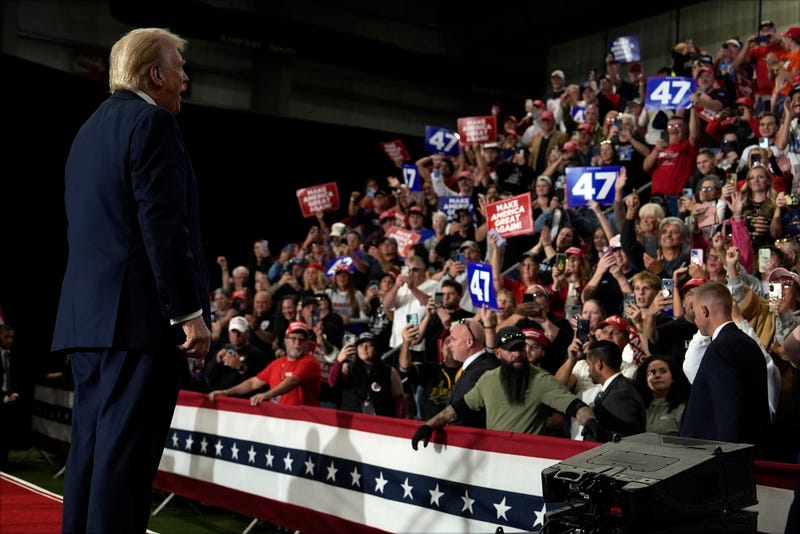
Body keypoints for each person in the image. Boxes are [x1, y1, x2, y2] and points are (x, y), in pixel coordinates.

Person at [50, 28, 212, 534]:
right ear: (155, 74)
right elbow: (163, 227)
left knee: (91, 459)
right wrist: (189, 312)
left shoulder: (88, 131)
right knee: (125, 468)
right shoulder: (153, 123)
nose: (186, 79)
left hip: (89, 326)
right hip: (137, 329)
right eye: (179, 67)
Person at [410, 326, 603, 445]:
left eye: (520, 348)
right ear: (498, 354)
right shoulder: (487, 380)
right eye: (510, 350)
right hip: (496, 457)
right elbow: (458, 408)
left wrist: (591, 422)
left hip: (527, 460)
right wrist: (429, 425)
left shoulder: (541, 380)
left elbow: (576, 407)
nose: (517, 354)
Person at [681, 282, 771, 454]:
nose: (694, 317)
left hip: (722, 459)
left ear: (704, 311)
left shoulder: (721, 348)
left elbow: (728, 412)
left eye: (695, 309)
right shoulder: (749, 343)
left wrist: (726, 459)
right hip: (750, 451)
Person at [209, 322, 321, 407]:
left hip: (301, 421)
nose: (297, 343)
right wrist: (226, 392)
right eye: (293, 338)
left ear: (307, 343)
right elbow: (253, 383)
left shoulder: (309, 362)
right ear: (286, 340)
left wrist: (266, 395)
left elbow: (293, 381)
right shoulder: (277, 363)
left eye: (302, 339)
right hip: (277, 418)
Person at [328, 332, 404, 417]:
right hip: (352, 422)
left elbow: (399, 402)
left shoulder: (390, 372)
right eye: (360, 345)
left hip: (380, 423)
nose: (364, 348)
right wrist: (339, 361)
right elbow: (332, 383)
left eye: (369, 345)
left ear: (376, 349)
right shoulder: (347, 368)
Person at [585, 339, 646, 440]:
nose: (588, 370)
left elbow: (623, 440)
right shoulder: (618, 390)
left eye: (589, 365)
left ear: (598, 364)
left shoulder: (621, 395)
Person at [204, 316, 272, 395]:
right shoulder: (222, 351)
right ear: (229, 333)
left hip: (242, 401)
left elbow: (262, 382)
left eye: (240, 331)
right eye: (233, 331)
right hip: (218, 397)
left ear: (247, 333)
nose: (236, 335)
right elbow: (208, 375)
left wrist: (241, 367)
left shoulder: (257, 354)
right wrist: (216, 362)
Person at [634, 355, 690, 435]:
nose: (657, 376)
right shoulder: (637, 407)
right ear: (646, 380)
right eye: (652, 373)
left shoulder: (684, 408)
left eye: (663, 371)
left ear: (672, 378)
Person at [0, 324, 21, 469]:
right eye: (6, 337)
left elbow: (16, 377)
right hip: (1, 399)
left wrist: (14, 393)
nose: (10, 340)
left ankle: (3, 465)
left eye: (12, 337)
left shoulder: (13, 355)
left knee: (5, 435)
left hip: (9, 402)